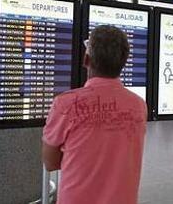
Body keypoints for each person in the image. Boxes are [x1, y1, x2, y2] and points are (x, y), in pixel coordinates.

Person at [42, 26, 147, 204]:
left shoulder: (66, 104)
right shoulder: (138, 105)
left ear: (86, 59)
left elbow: (50, 162)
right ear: (124, 62)